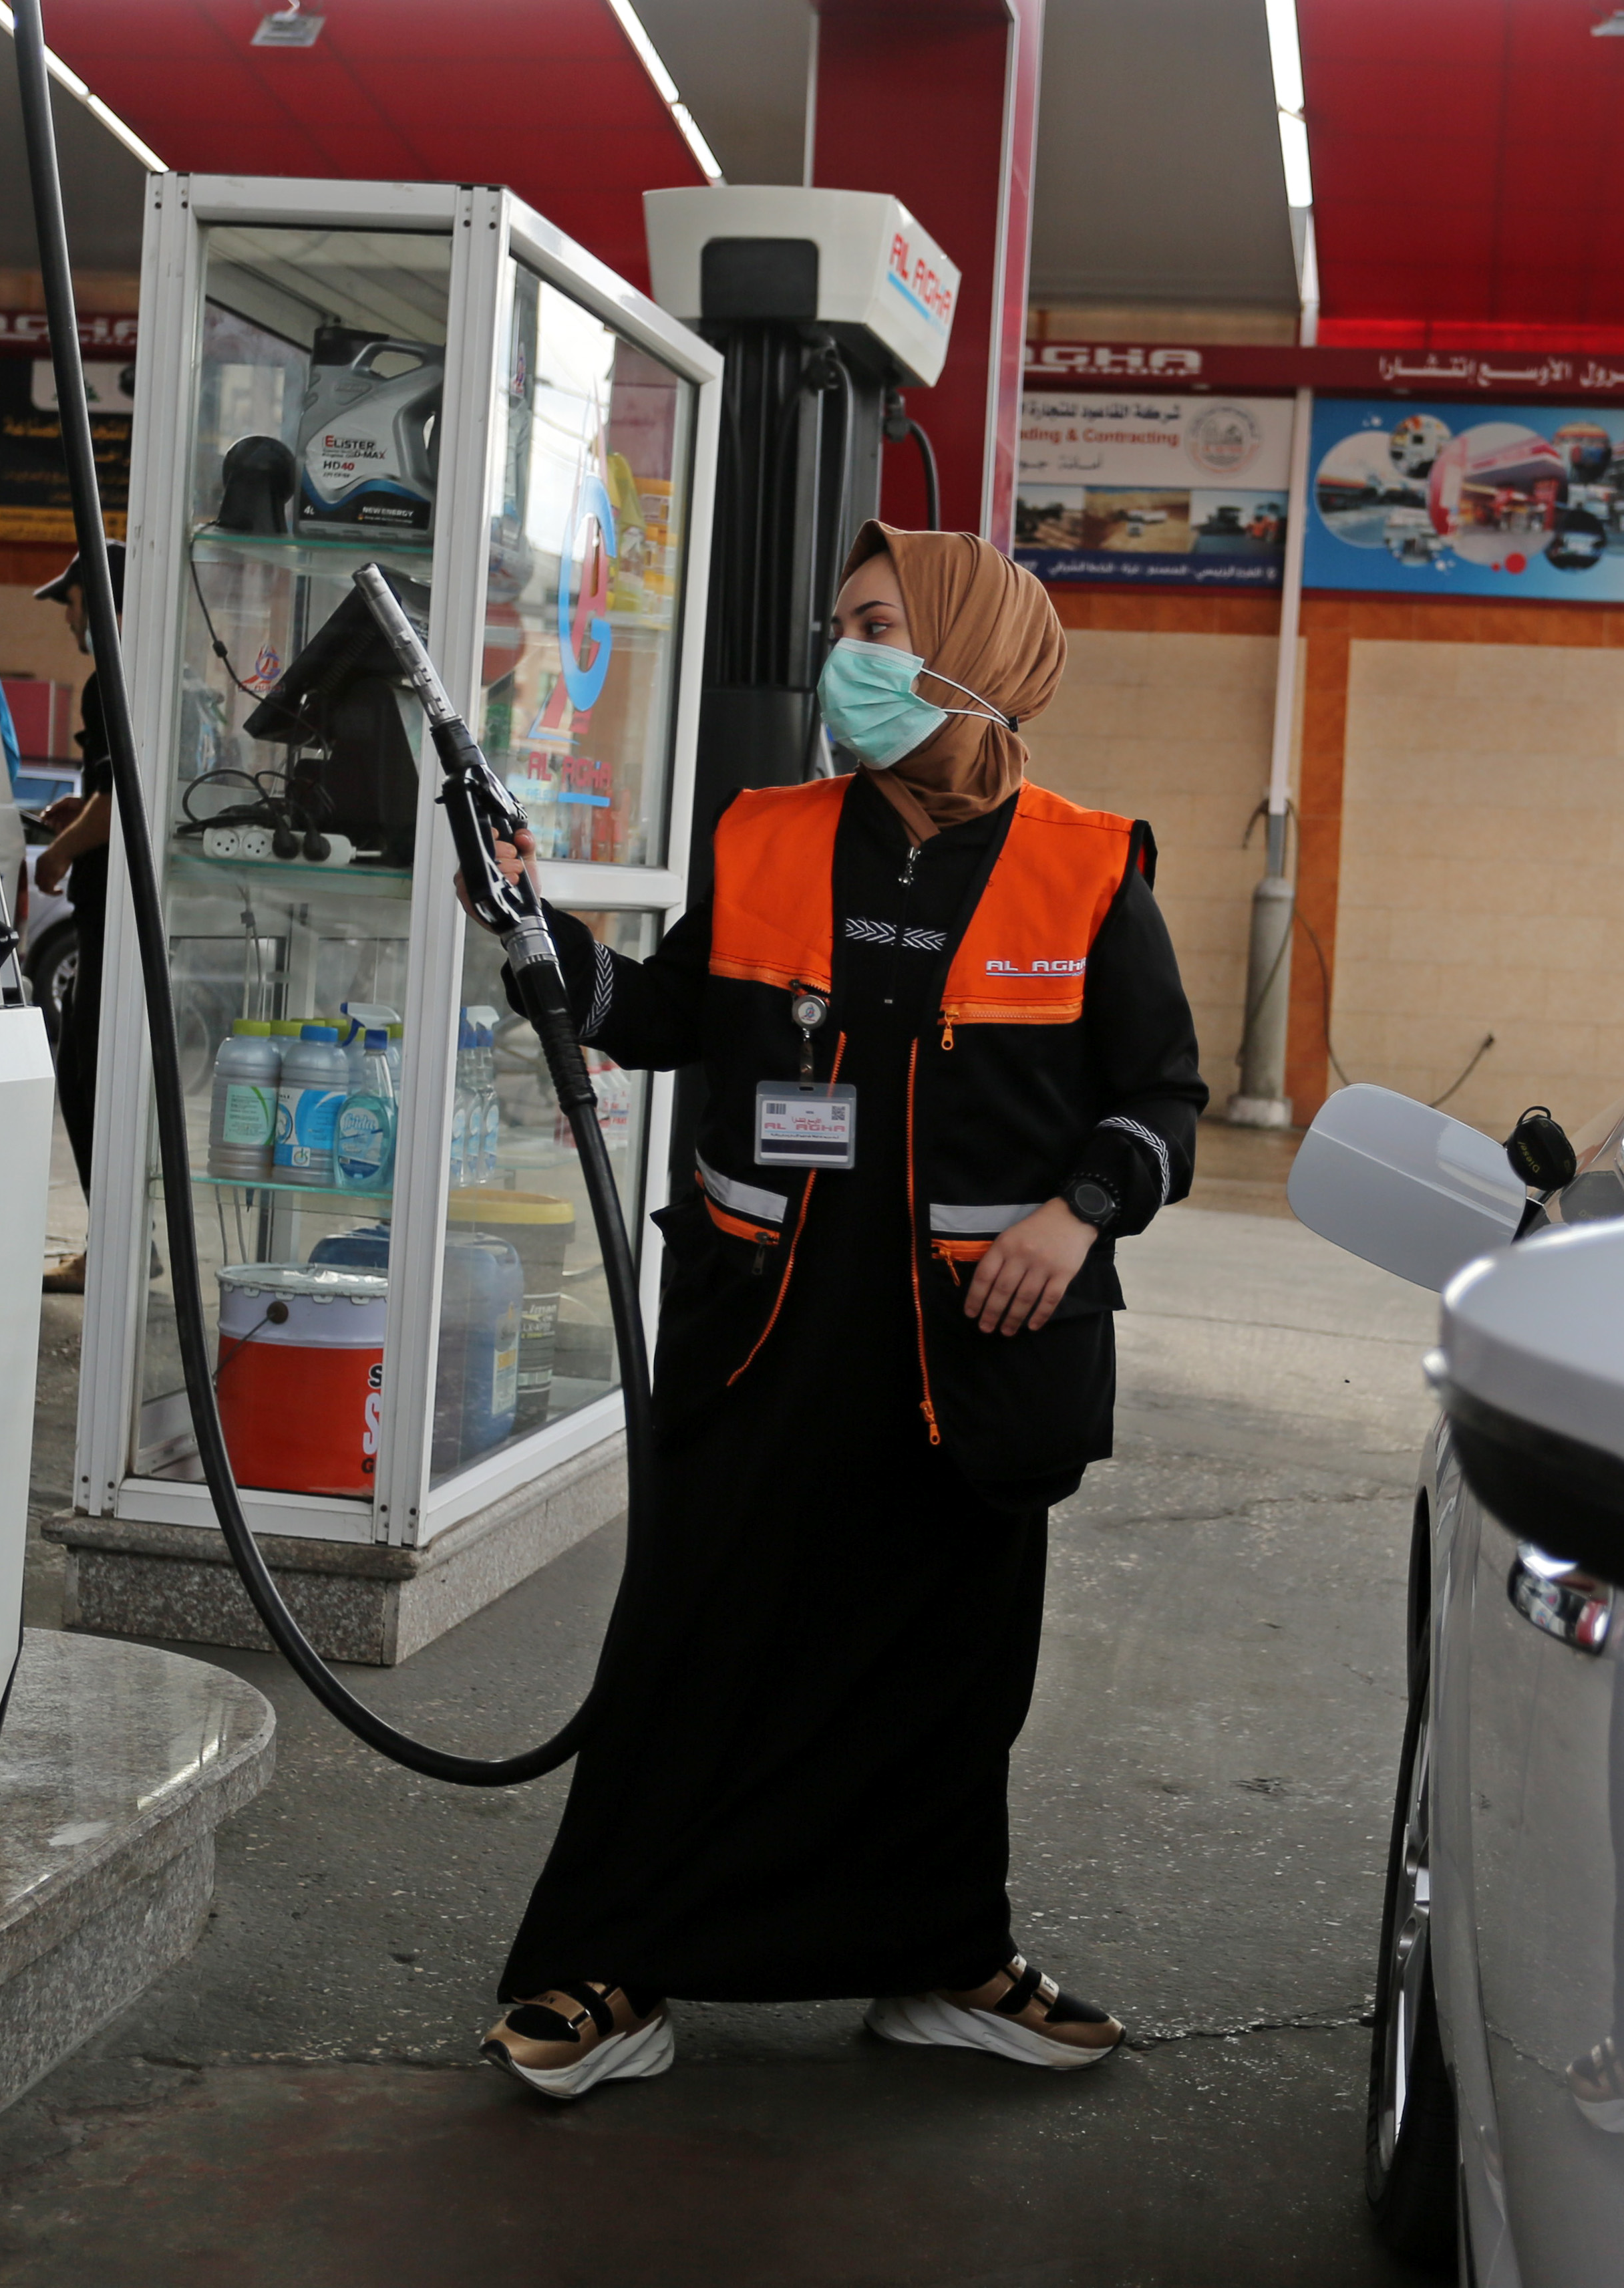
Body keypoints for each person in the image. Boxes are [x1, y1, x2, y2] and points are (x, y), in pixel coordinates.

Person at [461, 523, 1208, 2099]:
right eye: (840, 625)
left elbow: (1160, 1101)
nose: (843, 659)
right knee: (693, 1643)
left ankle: (942, 1956)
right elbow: (664, 1016)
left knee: (949, 1669)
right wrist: (543, 935)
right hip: (765, 1332)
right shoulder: (770, 835)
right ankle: (604, 1966)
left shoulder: (1087, 864)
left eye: (876, 627)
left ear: (971, 657)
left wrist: (1078, 1220)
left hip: (975, 1360)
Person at [30, 541, 124, 1294]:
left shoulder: (109, 679)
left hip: (110, 908)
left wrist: (59, 851)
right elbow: (111, 789)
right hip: (138, 912)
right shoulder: (164, 671)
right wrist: (81, 812)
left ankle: (113, 1248)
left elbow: (115, 801)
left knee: (87, 1075)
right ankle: (125, 1241)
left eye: (69, 599)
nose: (66, 615)